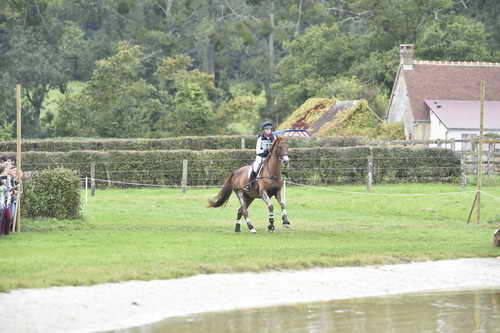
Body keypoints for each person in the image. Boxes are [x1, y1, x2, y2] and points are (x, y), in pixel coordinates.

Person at [244, 121, 275, 191]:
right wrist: (266, 151)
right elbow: (258, 151)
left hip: (271, 158)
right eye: (266, 129)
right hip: (261, 158)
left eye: (269, 129)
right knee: (255, 168)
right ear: (263, 130)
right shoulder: (260, 139)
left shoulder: (274, 138)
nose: (268, 130)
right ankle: (249, 184)